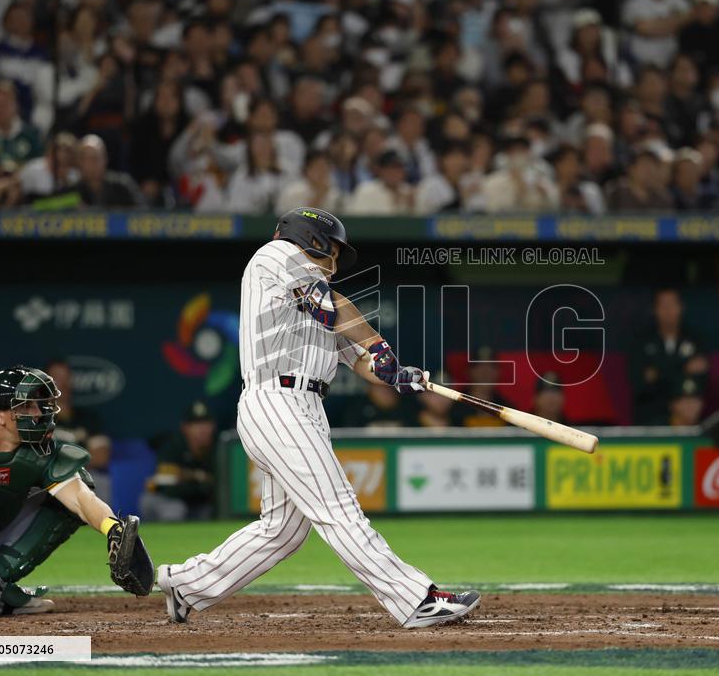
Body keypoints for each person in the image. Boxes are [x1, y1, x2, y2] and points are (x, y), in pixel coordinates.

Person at [157, 208, 480, 629]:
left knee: (283, 531)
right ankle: (415, 598)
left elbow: (362, 361)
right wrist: (381, 344)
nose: (333, 260)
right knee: (338, 508)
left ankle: (186, 585)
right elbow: (340, 309)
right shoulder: (275, 255)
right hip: (277, 400)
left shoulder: (313, 299)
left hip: (303, 407)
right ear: (308, 237)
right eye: (330, 249)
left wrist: (399, 375)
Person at [0, 366, 149, 617]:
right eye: (26, 407)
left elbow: (80, 498)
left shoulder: (39, 450)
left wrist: (112, 528)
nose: (37, 413)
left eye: (38, 405)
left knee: (67, 500)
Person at [629, 288, 708, 425]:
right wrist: (683, 367)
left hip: (688, 420)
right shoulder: (641, 342)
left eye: (672, 305)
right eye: (663, 305)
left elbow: (700, 381)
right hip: (650, 421)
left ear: (681, 307)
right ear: (655, 310)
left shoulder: (695, 340)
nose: (668, 310)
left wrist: (658, 373)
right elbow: (640, 385)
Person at [44, 359, 112, 504]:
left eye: (66, 377)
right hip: (44, 475)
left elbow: (101, 456)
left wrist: (68, 469)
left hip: (82, 473)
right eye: (56, 378)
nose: (61, 383)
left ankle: (103, 523)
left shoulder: (89, 419)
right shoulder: (36, 418)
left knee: (101, 481)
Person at [141, 401, 218, 522]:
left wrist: (188, 477)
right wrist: (199, 478)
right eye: (196, 424)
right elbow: (169, 487)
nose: (202, 429)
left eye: (206, 423)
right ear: (185, 428)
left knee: (213, 509)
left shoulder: (220, 448)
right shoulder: (173, 446)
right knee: (175, 509)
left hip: (197, 502)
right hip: (163, 497)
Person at [341, 382, 419, 428]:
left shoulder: (406, 405)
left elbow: (416, 429)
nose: (385, 391)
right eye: (379, 387)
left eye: (387, 386)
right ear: (371, 389)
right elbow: (349, 432)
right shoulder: (359, 407)